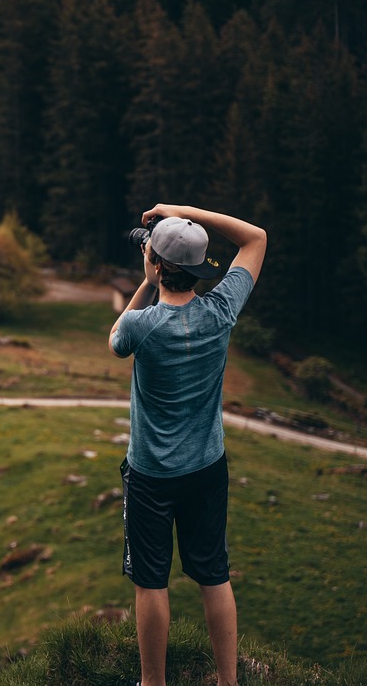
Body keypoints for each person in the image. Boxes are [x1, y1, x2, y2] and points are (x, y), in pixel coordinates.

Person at [108, 203, 267, 686]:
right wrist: (183, 213)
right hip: (206, 469)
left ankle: (152, 683)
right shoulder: (222, 311)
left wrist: (146, 280)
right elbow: (255, 237)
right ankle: (227, 681)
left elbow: (116, 337)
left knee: (151, 581)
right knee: (213, 575)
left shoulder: (141, 326)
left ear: (155, 265)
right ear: (199, 271)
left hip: (151, 475)